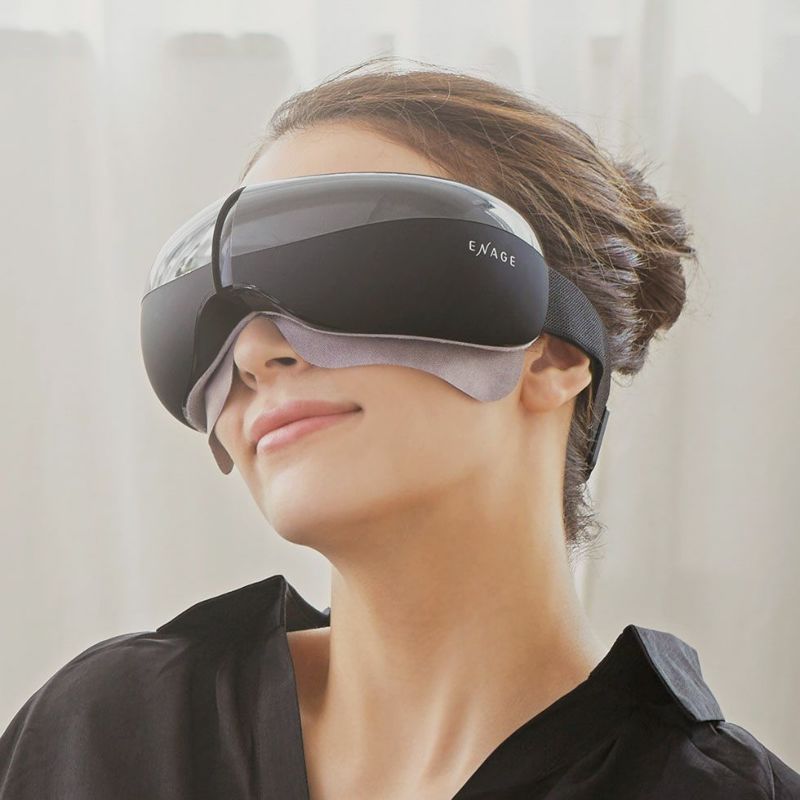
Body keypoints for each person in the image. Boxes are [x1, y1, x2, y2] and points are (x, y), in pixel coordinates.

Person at [2, 55, 798, 800]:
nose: (252, 354)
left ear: (553, 352)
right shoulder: (106, 737)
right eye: (208, 318)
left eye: (343, 269)